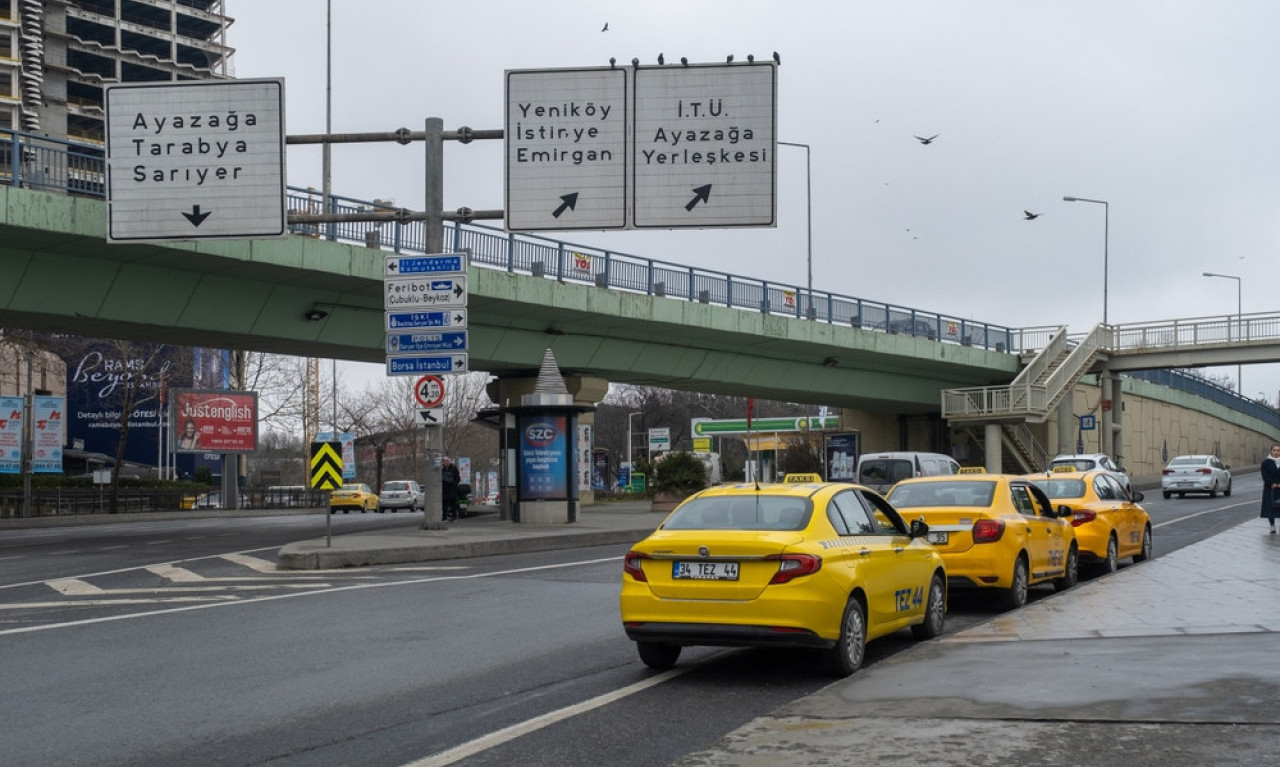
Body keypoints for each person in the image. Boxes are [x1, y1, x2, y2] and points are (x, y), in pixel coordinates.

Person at [1261, 445, 1280, 534]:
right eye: (1274, 450)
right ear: (1271, 451)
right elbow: (1264, 475)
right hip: (1270, 488)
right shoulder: (1266, 463)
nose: (1276, 452)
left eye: (1278, 450)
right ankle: (1272, 525)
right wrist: (1271, 483)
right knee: (1270, 508)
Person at [441, 456, 462, 521]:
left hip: (452, 489)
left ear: (449, 462)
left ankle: (454, 516)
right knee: (444, 504)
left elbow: (458, 478)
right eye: (444, 461)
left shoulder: (453, 468)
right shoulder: (442, 470)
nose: (445, 463)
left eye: (446, 461)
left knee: (453, 503)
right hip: (445, 489)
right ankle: (444, 517)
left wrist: (454, 485)